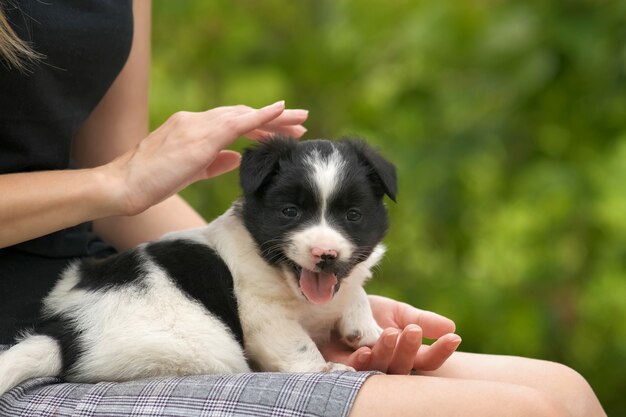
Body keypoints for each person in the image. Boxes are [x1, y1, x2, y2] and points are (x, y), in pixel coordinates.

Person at [0, 1, 606, 416]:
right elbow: (115, 181)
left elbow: (114, 182)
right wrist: (117, 181)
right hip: (40, 350)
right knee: (519, 412)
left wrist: (288, 296)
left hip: (102, 292)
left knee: (565, 391)